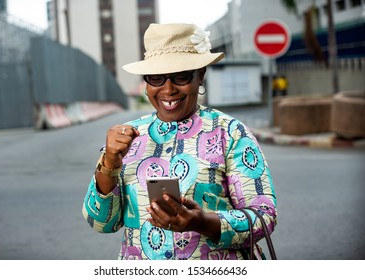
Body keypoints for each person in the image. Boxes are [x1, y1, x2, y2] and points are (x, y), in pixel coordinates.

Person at [82, 23, 277, 260]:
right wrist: (110, 163)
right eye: (156, 78)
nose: (168, 89)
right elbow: (101, 222)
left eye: (181, 76)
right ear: (146, 82)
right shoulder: (128, 139)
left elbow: (264, 218)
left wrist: (203, 222)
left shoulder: (231, 133)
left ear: (200, 75)